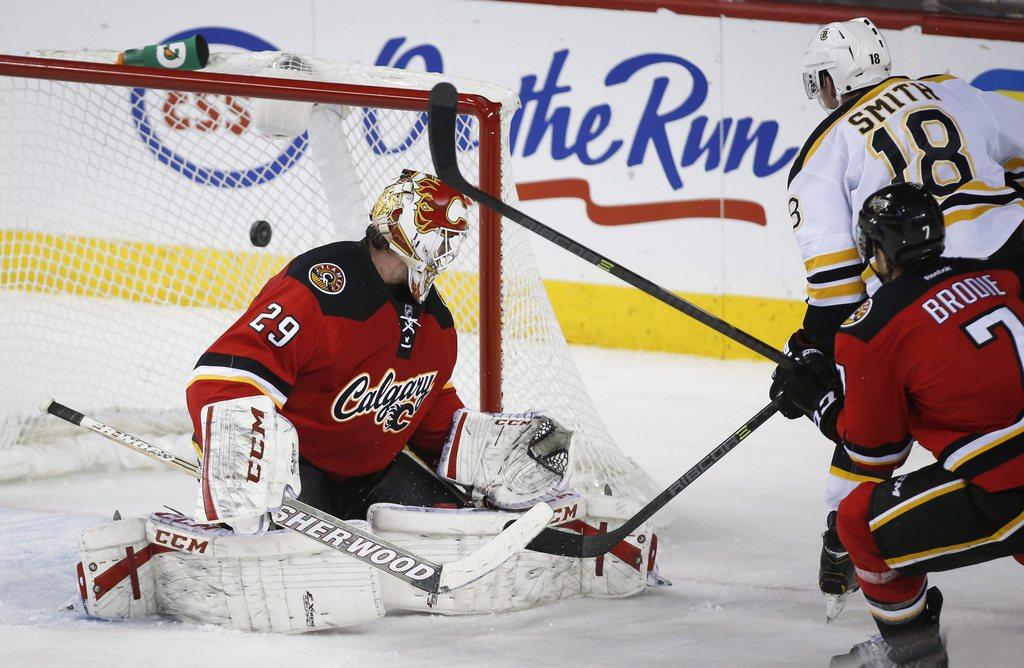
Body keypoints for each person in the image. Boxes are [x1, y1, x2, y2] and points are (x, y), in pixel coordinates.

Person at [70, 169, 659, 632]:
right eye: (439, 239)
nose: (447, 252)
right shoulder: (320, 286)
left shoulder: (437, 322)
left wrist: (478, 446)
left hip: (376, 471)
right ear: (405, 234)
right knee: (279, 560)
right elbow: (224, 376)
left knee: (456, 533)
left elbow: (424, 412)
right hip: (300, 472)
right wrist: (239, 447)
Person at [785, 16, 1024, 611]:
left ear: (834, 83)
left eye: (821, 84)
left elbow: (837, 286)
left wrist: (814, 354)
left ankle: (846, 536)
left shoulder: (823, 151)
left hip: (930, 296)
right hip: (1016, 263)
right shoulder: (954, 89)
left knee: (876, 396)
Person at [772, 182, 1024, 666]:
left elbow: (875, 454)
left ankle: (911, 652)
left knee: (856, 522)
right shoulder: (999, 276)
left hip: (1013, 491)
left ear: (874, 249)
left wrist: (824, 406)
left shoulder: (873, 326)